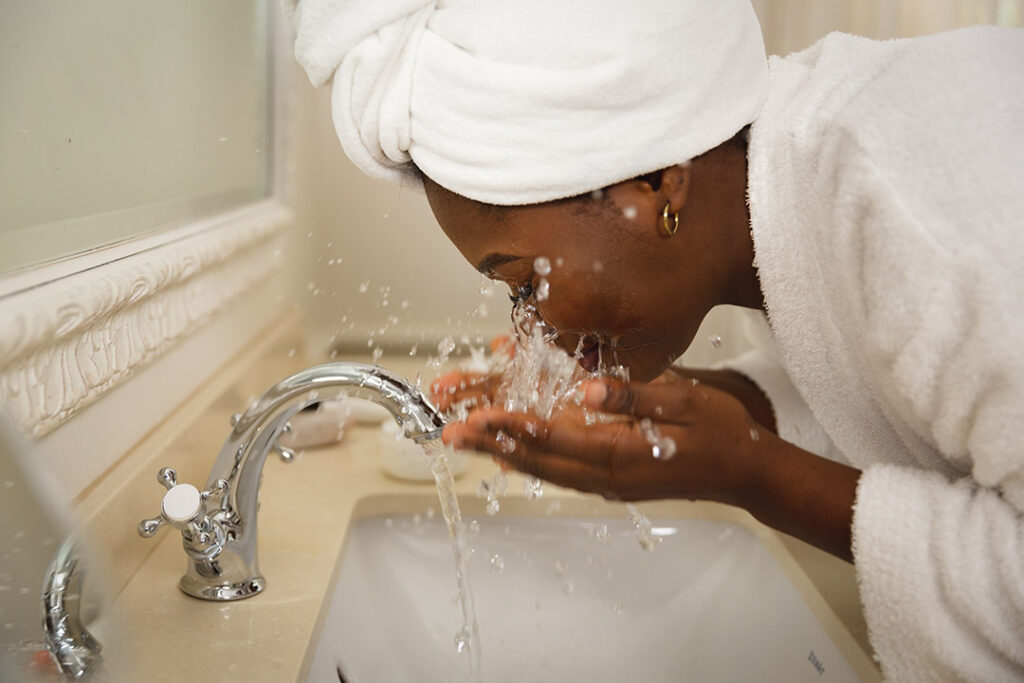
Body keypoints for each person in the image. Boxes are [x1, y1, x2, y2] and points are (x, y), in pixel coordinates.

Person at [285, 1, 1024, 679]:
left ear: (657, 180)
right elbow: (868, 381)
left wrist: (752, 474)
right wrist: (682, 405)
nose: (530, 328)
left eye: (524, 282)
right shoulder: (804, 185)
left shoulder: (909, 198)